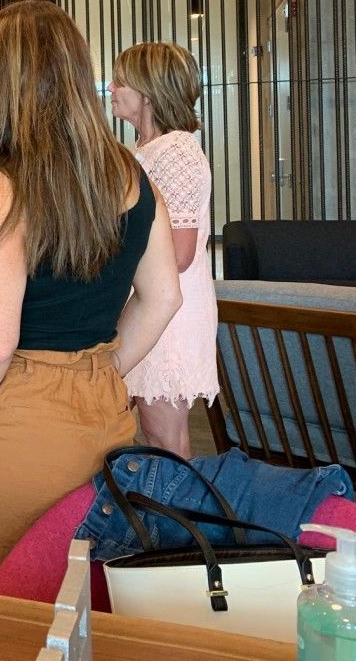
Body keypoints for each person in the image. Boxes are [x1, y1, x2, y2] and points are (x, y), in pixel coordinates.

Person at [0, 0, 182, 578]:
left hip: (20, 415)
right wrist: (106, 369)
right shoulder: (129, 173)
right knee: (85, 594)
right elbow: (164, 297)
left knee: (19, 600)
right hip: (105, 411)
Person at [108, 42, 218, 457]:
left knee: (163, 439)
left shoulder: (177, 152)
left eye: (122, 81)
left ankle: (179, 520)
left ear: (149, 91)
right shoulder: (144, 150)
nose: (112, 88)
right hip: (143, 305)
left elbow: (179, 253)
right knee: (140, 435)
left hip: (169, 314)